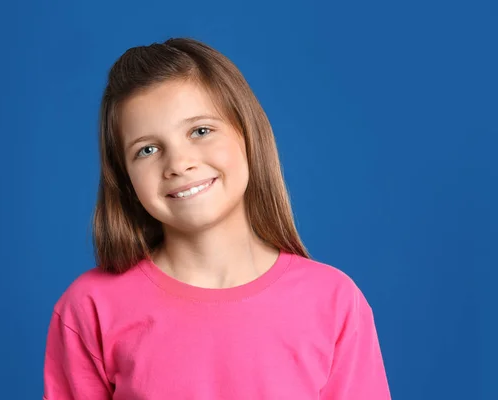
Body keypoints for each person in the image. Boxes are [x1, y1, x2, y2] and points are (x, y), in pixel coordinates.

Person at [43, 37, 391, 399]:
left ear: (248, 135)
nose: (178, 164)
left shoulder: (333, 302)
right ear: (125, 177)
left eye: (200, 131)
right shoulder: (90, 308)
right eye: (147, 149)